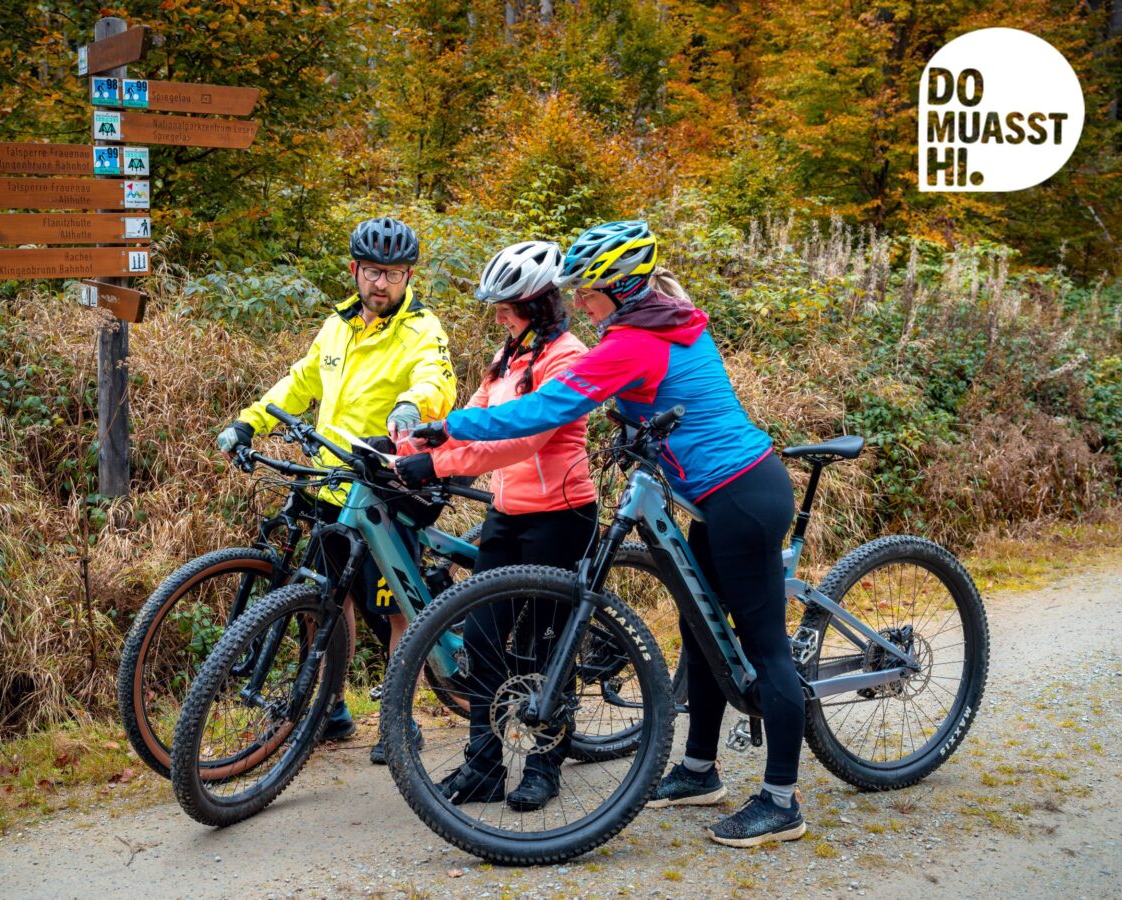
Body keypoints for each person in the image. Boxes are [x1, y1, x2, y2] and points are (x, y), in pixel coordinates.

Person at [413, 221, 805, 847]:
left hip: (743, 496)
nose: (582, 304)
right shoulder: (656, 323)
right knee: (702, 631)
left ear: (621, 288)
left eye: (589, 291)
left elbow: (549, 407)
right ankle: (701, 770)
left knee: (764, 648)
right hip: (709, 498)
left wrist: (450, 428)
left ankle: (782, 801)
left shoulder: (635, 341)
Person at [217, 216, 457, 763]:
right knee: (327, 601)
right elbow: (301, 381)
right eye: (373, 272)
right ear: (354, 270)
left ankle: (398, 720)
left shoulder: (423, 328)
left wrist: (412, 406)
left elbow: (437, 379)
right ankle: (332, 707)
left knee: (396, 608)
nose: (382, 285)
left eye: (394, 275)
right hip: (330, 484)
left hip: (384, 487)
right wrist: (251, 422)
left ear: (408, 276)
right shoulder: (337, 325)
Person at [394, 240, 597, 812]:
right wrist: (408, 444)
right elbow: (474, 420)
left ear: (540, 302)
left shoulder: (568, 355)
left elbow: (521, 440)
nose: (499, 314)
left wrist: (434, 465)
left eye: (508, 305)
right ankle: (484, 766)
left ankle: (543, 765)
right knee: (482, 640)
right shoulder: (508, 354)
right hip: (506, 516)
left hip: (562, 516)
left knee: (546, 647)